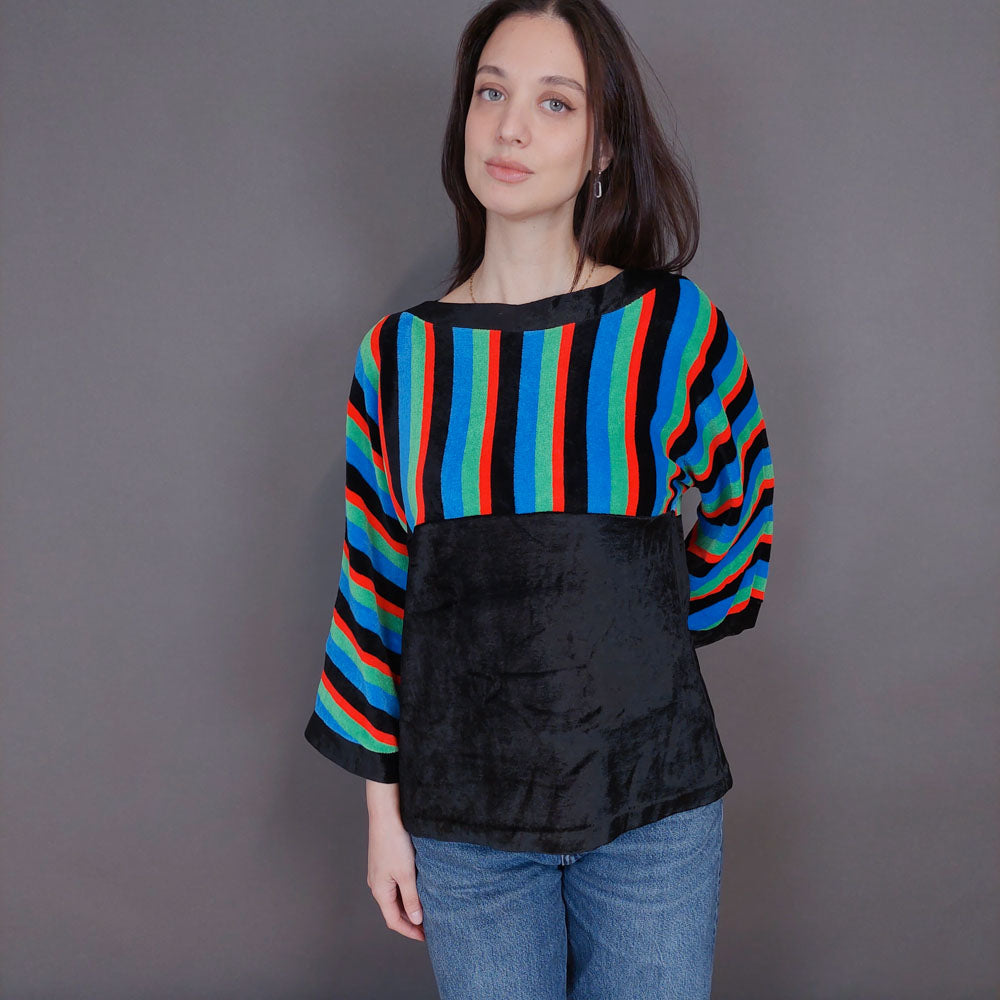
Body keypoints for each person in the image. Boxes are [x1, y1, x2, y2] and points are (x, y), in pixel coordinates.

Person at [304, 1, 775, 996]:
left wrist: (643, 634)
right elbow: (373, 589)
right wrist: (384, 818)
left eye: (554, 103)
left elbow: (743, 508)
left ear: (602, 145)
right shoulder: (399, 359)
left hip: (651, 807)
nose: (511, 127)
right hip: (465, 823)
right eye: (491, 93)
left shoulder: (668, 327)